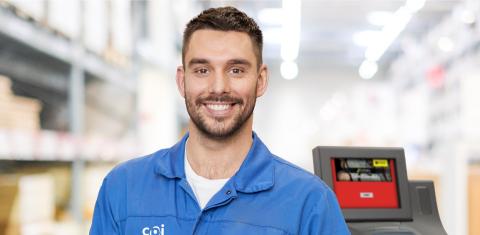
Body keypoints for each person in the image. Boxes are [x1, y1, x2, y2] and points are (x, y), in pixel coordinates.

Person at [90, 6, 350, 235]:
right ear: (182, 81)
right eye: (202, 70)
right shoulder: (123, 188)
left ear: (260, 81)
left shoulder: (309, 202)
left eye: (236, 70)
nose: (218, 87)